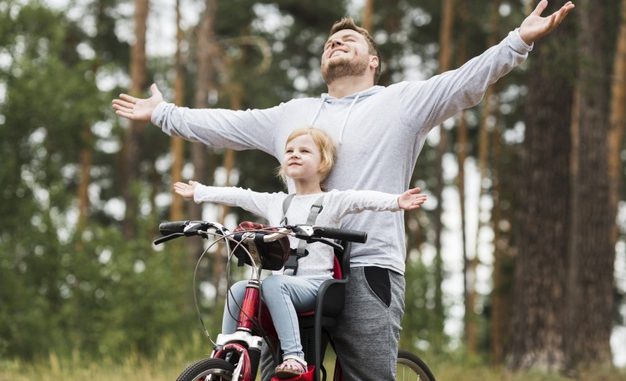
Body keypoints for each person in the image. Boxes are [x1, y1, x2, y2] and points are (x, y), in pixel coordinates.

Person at [112, 1, 575, 379]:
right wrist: (162, 113)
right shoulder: (292, 114)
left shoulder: (402, 103)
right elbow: (223, 125)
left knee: (366, 375)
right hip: (294, 264)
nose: (336, 42)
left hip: (369, 262)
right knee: (278, 372)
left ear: (373, 60)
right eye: (330, 41)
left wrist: (519, 40)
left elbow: (466, 82)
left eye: (349, 40)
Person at [173, 127, 428, 378]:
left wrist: (396, 202)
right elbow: (240, 196)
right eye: (289, 151)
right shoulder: (276, 202)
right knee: (238, 290)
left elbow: (361, 199)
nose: (294, 154)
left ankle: (294, 357)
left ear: (323, 163)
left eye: (304, 151)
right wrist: (200, 192)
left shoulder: (332, 201)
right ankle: (224, 358)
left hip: (317, 285)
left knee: (274, 285)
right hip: (285, 285)